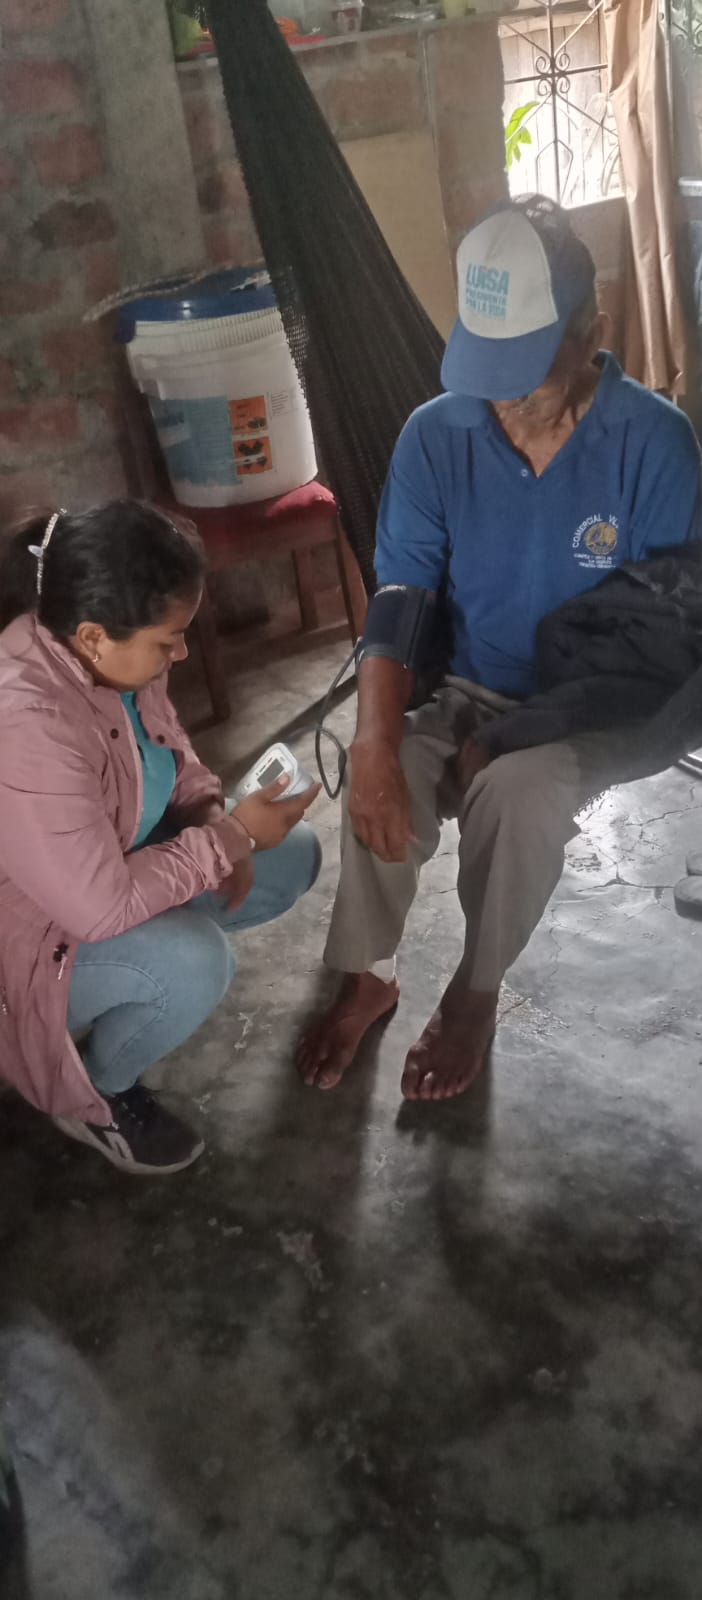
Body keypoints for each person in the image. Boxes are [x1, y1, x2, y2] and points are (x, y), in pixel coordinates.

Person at [297, 194, 702, 1102]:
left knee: (517, 792)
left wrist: (516, 737)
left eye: (529, 368)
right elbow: (401, 597)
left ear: (592, 334)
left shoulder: (656, 443)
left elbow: (659, 651)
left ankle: (476, 992)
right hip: (474, 688)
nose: (504, 396)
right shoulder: (436, 436)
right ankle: (368, 973)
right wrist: (373, 739)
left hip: (605, 704)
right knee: (388, 766)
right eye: (489, 365)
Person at [0, 500, 321, 1174]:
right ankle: (92, 1094)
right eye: (168, 641)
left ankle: (130, 984)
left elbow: (166, 744)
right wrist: (229, 838)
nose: (180, 653)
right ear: (94, 637)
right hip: (30, 939)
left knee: (291, 856)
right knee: (193, 962)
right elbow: (98, 907)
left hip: (108, 861)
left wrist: (208, 811)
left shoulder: (111, 651)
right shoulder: (26, 721)